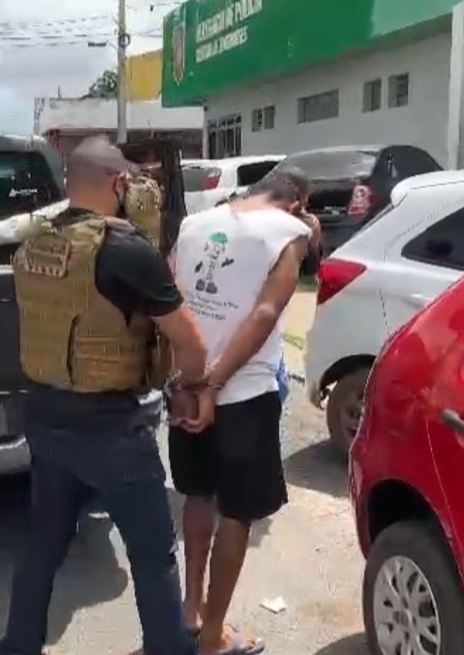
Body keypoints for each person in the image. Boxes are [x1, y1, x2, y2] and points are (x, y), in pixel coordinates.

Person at [0, 135, 209, 655]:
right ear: (119, 184)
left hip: (46, 417)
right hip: (110, 426)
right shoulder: (126, 250)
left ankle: (19, 644)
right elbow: (190, 342)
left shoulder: (34, 241)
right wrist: (191, 389)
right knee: (153, 553)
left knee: (44, 544)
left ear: (69, 184)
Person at [168, 169, 313, 655]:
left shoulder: (194, 224)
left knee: (195, 493)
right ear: (296, 203)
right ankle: (212, 636)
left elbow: (172, 293)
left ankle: (190, 608)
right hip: (242, 395)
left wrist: (189, 379)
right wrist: (215, 384)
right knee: (237, 512)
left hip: (185, 386)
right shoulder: (288, 232)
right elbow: (267, 313)